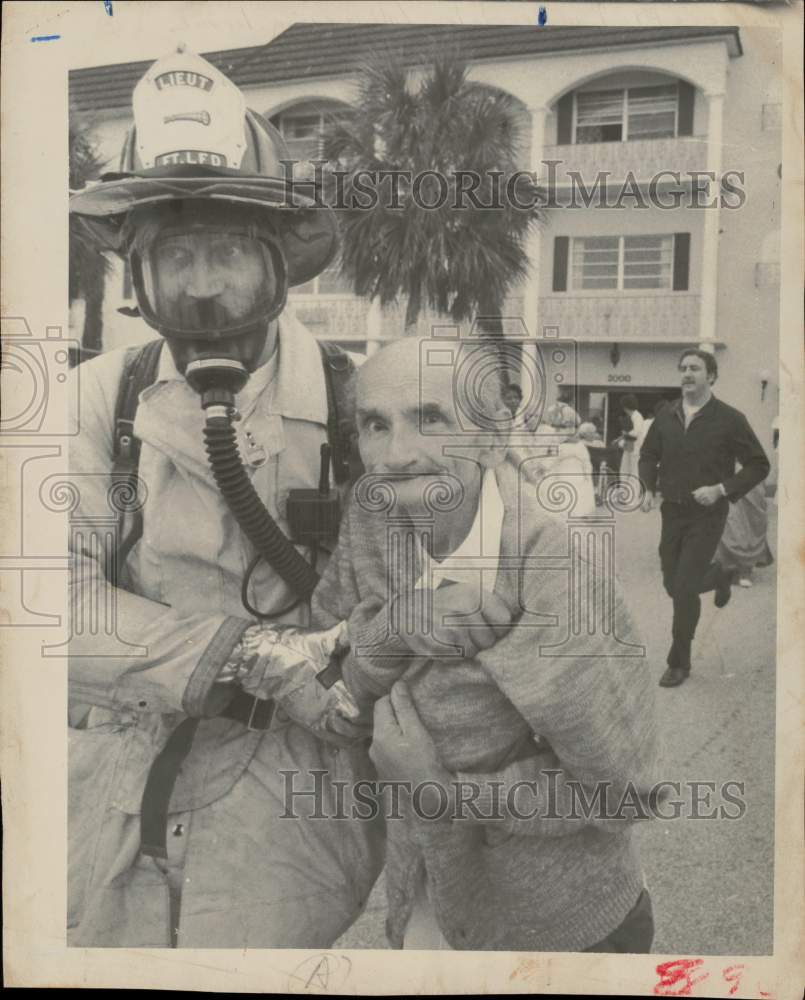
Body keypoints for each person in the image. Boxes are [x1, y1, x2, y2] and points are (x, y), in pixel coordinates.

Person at [67, 48, 383, 947]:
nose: (203, 287)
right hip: (119, 761)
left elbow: (439, 609)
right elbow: (39, 602)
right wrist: (244, 656)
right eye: (181, 257)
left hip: (292, 796)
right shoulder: (99, 399)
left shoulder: (363, 407)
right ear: (138, 274)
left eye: (229, 255)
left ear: (280, 264)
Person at [312, 337, 661, 952]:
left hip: (558, 929)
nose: (396, 454)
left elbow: (626, 790)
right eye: (374, 424)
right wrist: (395, 628)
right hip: (426, 908)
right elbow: (325, 678)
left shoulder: (551, 569)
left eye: (430, 418)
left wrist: (443, 793)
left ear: (493, 440)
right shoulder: (373, 522)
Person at [639, 349, 770, 688]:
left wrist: (722, 489)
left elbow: (759, 464)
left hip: (708, 515)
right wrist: (647, 489)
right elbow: (648, 454)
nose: (687, 373)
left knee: (683, 588)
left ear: (711, 376)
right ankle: (720, 575)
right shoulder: (666, 415)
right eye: (682, 368)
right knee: (672, 583)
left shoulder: (730, 419)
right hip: (672, 511)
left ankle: (679, 661)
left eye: (695, 368)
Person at [715, 480, 774, 587]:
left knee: (750, 521)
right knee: (729, 520)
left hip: (750, 474)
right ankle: (728, 566)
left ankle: (745, 570)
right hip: (725, 473)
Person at [616, 394, 645, 488]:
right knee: (624, 469)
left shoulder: (637, 416)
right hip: (629, 445)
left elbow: (637, 432)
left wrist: (625, 435)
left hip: (635, 446)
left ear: (626, 407)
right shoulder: (633, 416)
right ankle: (625, 491)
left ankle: (633, 495)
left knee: (633, 471)